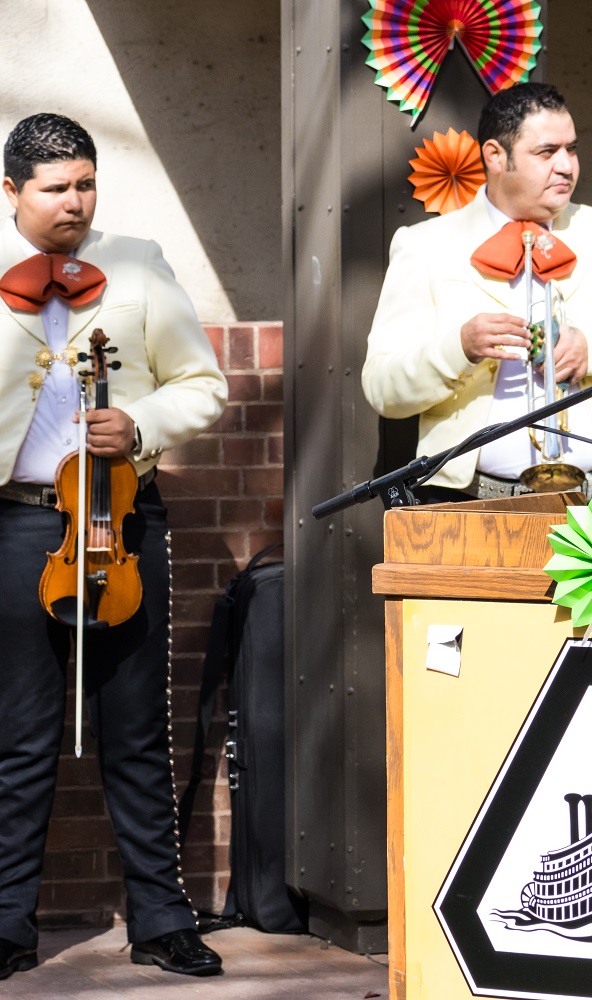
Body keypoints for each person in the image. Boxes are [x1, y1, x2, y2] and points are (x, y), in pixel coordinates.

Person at [0, 114, 228, 979]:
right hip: (18, 520)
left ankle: (162, 921)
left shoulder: (136, 261)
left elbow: (202, 383)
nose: (74, 202)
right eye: (55, 188)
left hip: (120, 520)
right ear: (13, 191)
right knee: (19, 735)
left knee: (136, 729)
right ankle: (7, 922)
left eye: (85, 184)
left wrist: (138, 424)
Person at [362, 83, 592, 501]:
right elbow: (382, 389)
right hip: (466, 502)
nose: (566, 166)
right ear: (495, 157)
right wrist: (459, 348)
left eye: (571, 150)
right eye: (546, 152)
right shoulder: (425, 245)